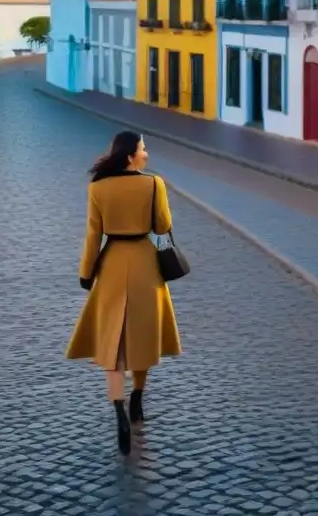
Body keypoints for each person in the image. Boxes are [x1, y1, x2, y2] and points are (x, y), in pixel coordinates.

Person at [66, 131, 182, 456]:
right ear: (131, 155)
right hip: (146, 264)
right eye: (143, 149)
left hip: (113, 265)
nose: (146, 153)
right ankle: (137, 400)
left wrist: (86, 272)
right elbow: (163, 226)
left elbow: (93, 236)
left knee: (114, 340)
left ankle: (117, 408)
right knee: (143, 336)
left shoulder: (98, 188)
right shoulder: (154, 184)